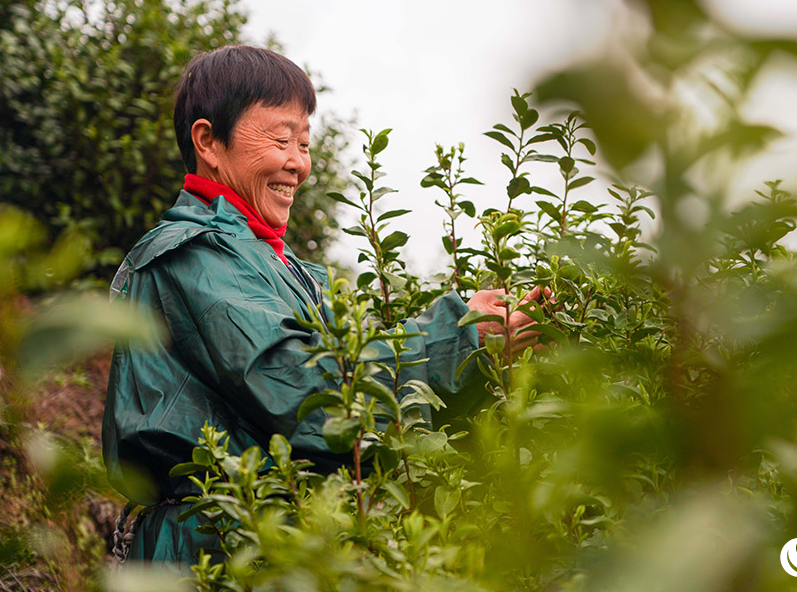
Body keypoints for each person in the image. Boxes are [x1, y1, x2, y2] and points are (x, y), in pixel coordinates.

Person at [102, 44, 542, 565]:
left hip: (274, 544)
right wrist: (461, 335)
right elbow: (304, 388)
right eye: (281, 139)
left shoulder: (283, 267)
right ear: (208, 142)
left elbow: (363, 375)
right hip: (211, 551)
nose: (298, 163)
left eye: (304, 143)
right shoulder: (193, 256)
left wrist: (486, 353)